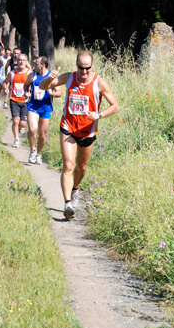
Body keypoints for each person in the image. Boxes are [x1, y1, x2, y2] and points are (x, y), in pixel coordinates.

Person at [39, 50, 119, 220]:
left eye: (87, 68)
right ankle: (68, 204)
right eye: (81, 68)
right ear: (76, 65)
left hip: (88, 131)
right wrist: (48, 78)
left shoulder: (99, 83)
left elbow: (115, 106)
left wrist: (100, 114)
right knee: (68, 165)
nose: (84, 72)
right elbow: (43, 86)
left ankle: (75, 189)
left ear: (92, 66)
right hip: (68, 127)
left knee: (81, 167)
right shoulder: (69, 78)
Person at [24, 56, 62, 164]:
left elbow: (59, 92)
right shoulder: (32, 75)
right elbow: (25, 85)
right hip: (33, 106)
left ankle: (38, 154)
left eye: (36, 64)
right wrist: (26, 93)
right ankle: (32, 150)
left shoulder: (52, 77)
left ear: (42, 65)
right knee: (32, 129)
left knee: (42, 134)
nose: (34, 65)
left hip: (46, 107)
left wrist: (52, 93)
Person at [3, 54, 31, 147]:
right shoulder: (12, 73)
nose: (21, 62)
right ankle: (16, 139)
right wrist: (6, 88)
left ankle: (21, 127)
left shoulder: (29, 73)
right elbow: (5, 82)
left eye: (23, 60)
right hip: (14, 99)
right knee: (15, 120)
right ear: (17, 61)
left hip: (25, 101)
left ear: (26, 62)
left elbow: (35, 85)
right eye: (19, 60)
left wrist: (30, 93)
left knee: (22, 123)